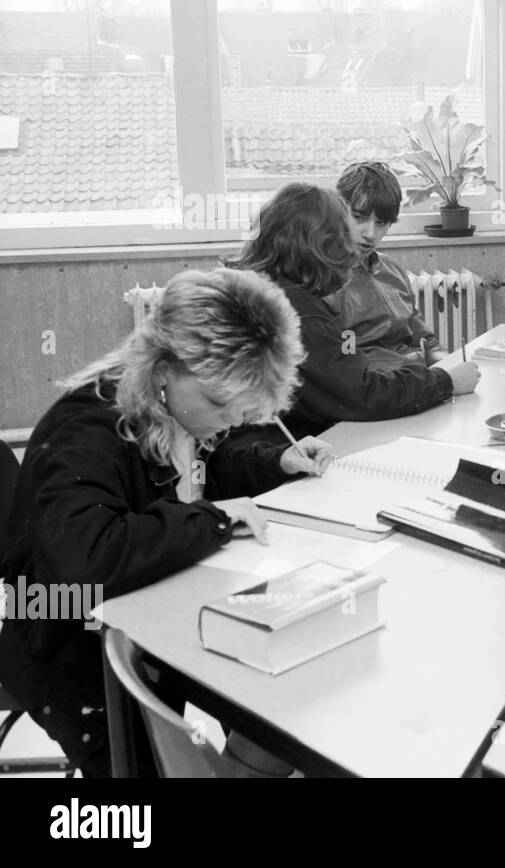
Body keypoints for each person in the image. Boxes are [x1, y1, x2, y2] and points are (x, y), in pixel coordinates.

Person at [0, 268, 333, 777]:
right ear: (163, 369)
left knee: (294, 695)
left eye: (242, 413)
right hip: (65, 639)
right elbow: (87, 562)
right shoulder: (84, 432)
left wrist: (274, 463)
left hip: (148, 610)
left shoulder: (173, 410)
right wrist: (211, 521)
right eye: (222, 405)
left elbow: (199, 475)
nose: (228, 422)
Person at [226, 182, 479, 437]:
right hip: (298, 445)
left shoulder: (258, 286)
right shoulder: (299, 311)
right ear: (318, 243)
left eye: (381, 223)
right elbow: (360, 392)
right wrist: (444, 382)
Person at [331, 161, 469, 370]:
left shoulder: (392, 269)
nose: (371, 233)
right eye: (359, 217)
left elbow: (425, 339)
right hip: (383, 387)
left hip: (417, 379)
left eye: (382, 223)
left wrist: (448, 365)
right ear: (339, 211)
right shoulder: (325, 281)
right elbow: (346, 364)